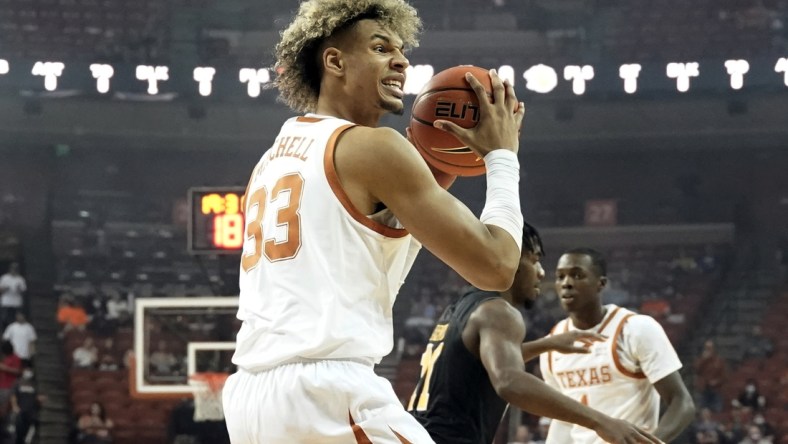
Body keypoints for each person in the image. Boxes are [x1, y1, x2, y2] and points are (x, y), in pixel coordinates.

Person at [222, 0, 530, 441]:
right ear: (334, 61)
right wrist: (503, 156)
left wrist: (436, 165)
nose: (402, 60)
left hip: (254, 398)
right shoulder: (374, 147)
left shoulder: (273, 157)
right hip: (326, 397)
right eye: (381, 48)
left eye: (402, 50)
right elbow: (498, 266)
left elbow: (376, 257)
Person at [409, 225, 662, 444]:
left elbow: (484, 362)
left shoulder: (459, 308)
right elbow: (509, 380)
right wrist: (600, 421)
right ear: (510, 259)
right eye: (535, 259)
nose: (541, 272)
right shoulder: (499, 311)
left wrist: (546, 344)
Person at [540, 248, 695, 443]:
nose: (566, 283)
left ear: (601, 284)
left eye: (577, 275)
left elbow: (682, 402)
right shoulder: (552, 344)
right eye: (560, 277)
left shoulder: (636, 329)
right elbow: (562, 420)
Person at [694, 339, 727, 412]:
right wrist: (704, 359)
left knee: (716, 410)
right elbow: (697, 370)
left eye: (710, 348)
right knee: (702, 410)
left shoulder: (719, 361)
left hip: (715, 389)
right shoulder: (701, 359)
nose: (708, 350)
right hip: (703, 389)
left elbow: (724, 376)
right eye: (706, 348)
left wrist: (716, 381)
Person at [0, 263, 26, 328]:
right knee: (4, 318)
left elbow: (24, 292)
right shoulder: (4, 278)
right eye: (13, 269)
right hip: (6, 302)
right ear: (10, 269)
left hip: (17, 303)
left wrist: (19, 289)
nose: (14, 270)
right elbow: (0, 291)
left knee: (16, 320)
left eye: (15, 269)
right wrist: (5, 289)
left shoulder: (20, 279)